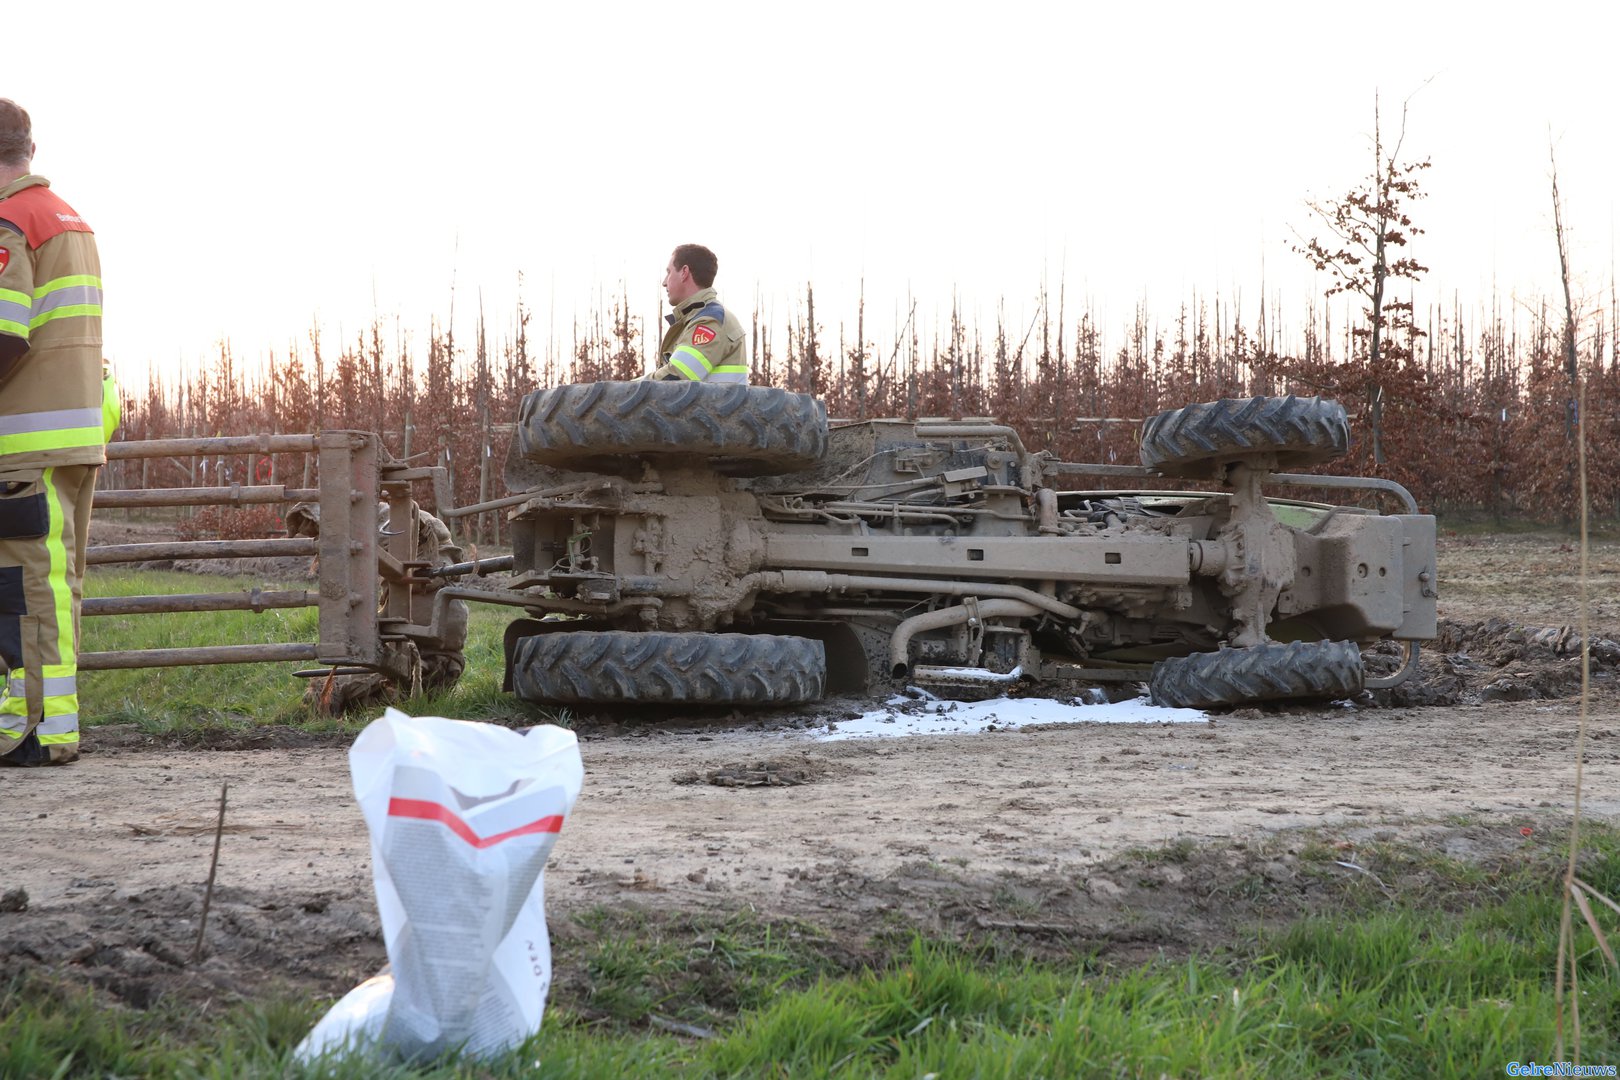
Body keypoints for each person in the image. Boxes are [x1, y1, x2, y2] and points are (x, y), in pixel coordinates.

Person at [0, 99, 115, 766]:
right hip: (71, 433)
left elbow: (5, 335)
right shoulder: (69, 218)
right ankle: (56, 728)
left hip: (23, 442)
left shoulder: (10, 222)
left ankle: (31, 733)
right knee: (57, 588)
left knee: (25, 592)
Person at [648, 243, 748, 384]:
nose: (664, 282)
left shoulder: (711, 320)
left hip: (713, 400)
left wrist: (626, 389)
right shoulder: (697, 318)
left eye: (669, 272)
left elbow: (676, 377)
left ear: (684, 272)